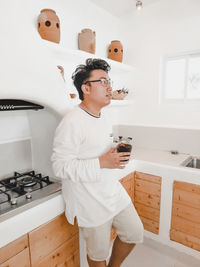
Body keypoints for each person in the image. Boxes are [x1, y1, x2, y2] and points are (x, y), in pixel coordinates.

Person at [51, 58, 143, 267]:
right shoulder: (71, 121)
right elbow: (60, 166)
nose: (109, 87)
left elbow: (95, 151)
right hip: (89, 200)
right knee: (98, 253)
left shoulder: (103, 117)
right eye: (102, 81)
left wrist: (113, 155)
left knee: (134, 233)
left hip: (111, 191)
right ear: (86, 88)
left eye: (109, 81)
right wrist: (102, 162)